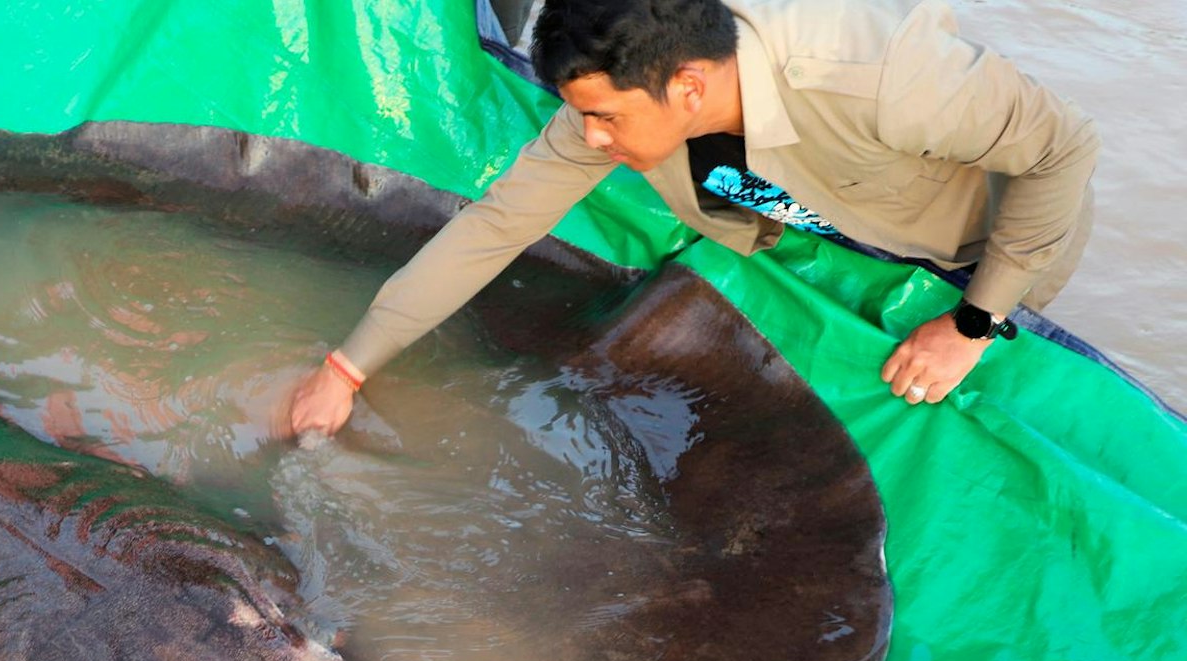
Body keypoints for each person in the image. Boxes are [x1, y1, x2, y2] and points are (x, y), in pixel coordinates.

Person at [286, 0, 1098, 434]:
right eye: (582, 115)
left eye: (606, 118)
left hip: (974, 246)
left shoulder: (873, 71)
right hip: (814, 224)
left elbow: (1063, 149)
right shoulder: (614, 103)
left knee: (980, 396)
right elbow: (496, 225)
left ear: (687, 87)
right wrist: (349, 365)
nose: (591, 139)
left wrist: (976, 322)